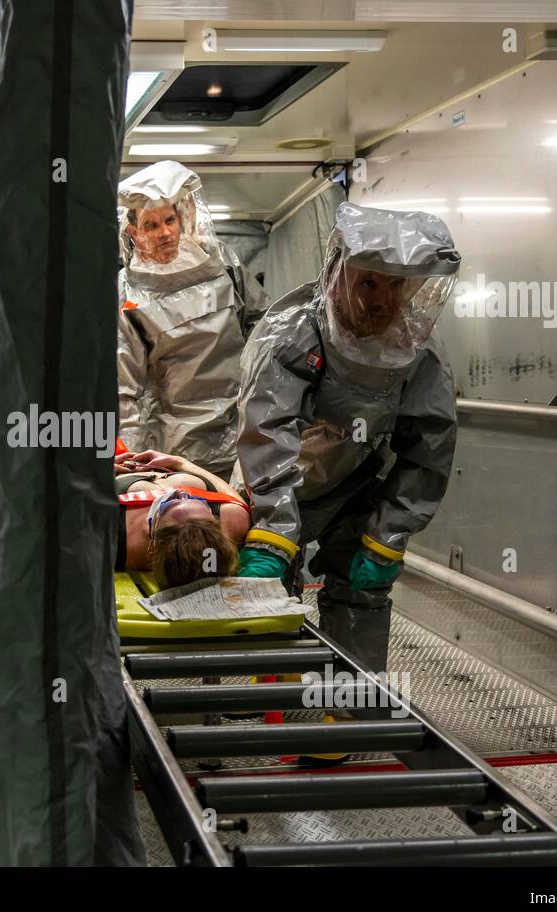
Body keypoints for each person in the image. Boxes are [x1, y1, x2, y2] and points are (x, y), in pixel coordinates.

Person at [233, 202, 461, 673]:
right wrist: (274, 527)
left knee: (362, 592)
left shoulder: (416, 352)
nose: (381, 300)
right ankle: (258, 692)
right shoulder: (293, 332)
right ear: (337, 272)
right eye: (369, 282)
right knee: (267, 586)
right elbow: (268, 429)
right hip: (277, 481)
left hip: (355, 483)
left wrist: (388, 532)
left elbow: (428, 449)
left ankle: (348, 716)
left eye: (396, 285)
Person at [116, 160, 270, 480]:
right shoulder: (128, 294)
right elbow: (124, 391)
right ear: (134, 232)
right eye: (151, 225)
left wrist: (268, 403)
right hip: (174, 445)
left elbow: (263, 326)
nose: (165, 233)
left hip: (242, 427)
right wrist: (133, 468)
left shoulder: (220, 261)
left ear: (182, 216)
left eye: (170, 219)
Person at [114, 449, 250, 588]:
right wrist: (179, 462)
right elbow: (230, 494)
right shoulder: (234, 518)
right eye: (195, 499)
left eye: (170, 502)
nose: (179, 492)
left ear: (153, 544)